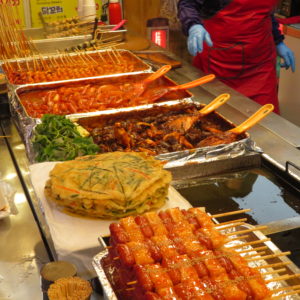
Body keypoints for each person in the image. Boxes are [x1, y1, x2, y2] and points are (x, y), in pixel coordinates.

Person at [177, 0, 296, 114]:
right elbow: (188, 3)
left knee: (266, 120)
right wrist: (193, 25)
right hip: (220, 63)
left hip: (261, 67)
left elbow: (266, 13)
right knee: (216, 120)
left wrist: (278, 41)